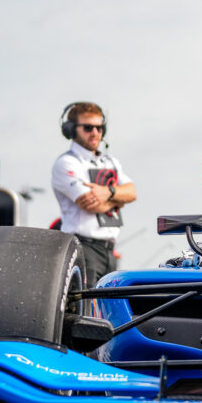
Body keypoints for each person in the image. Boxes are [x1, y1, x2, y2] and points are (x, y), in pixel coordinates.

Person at [51, 101, 136, 284]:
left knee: (109, 302)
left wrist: (107, 192)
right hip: (83, 248)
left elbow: (132, 192)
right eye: (88, 128)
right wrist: (119, 199)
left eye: (99, 128)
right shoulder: (66, 163)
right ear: (71, 130)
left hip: (109, 251)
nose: (95, 133)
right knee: (87, 302)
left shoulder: (110, 161)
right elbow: (90, 203)